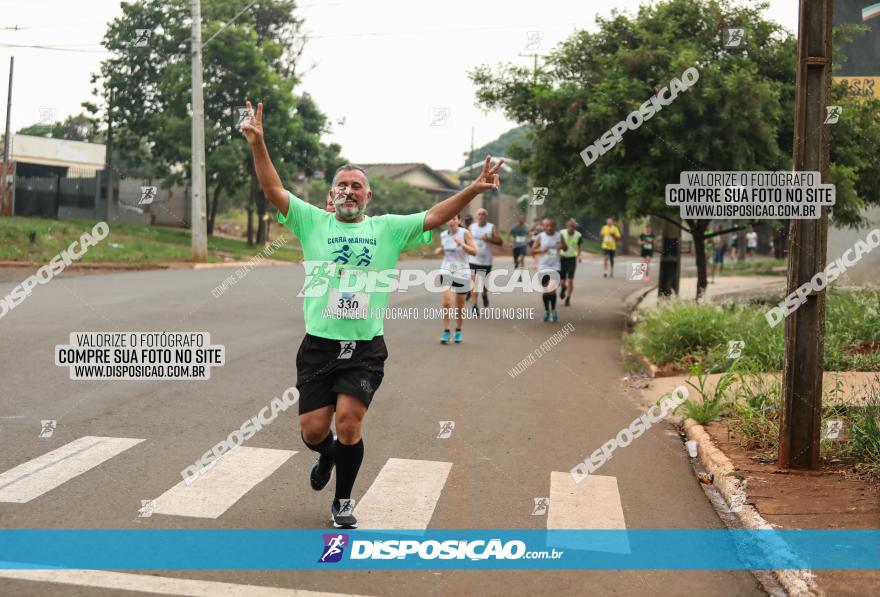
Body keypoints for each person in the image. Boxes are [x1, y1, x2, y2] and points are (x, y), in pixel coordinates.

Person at [241, 100, 503, 529]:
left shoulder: (386, 228)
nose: (348, 191)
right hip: (319, 346)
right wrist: (259, 143)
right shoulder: (312, 223)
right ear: (330, 196)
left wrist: (474, 188)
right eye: (341, 185)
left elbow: (437, 214)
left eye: (356, 186)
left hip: (364, 347)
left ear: (368, 196)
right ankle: (327, 456)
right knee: (312, 430)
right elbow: (273, 190)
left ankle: (342, 501)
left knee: (349, 421)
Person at [435, 214, 476, 344]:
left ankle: (458, 330)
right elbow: (445, 251)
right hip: (446, 270)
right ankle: (446, 331)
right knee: (446, 302)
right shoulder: (443, 235)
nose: (452, 221)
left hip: (462, 272)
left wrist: (462, 244)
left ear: (458, 221)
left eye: (454, 218)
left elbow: (474, 252)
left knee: (460, 305)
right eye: (449, 218)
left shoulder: (465, 233)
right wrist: (440, 250)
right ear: (446, 221)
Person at [467, 208, 502, 314]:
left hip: (486, 260)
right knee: (475, 282)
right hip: (473, 259)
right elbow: (466, 241)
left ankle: (484, 294)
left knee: (484, 284)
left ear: (486, 216)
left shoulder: (491, 227)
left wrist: (489, 239)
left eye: (483, 214)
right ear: (476, 216)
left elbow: (500, 242)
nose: (481, 216)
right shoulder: (471, 227)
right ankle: (474, 305)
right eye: (479, 214)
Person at [532, 218, 563, 322]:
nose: (549, 228)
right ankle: (546, 311)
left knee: (552, 289)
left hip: (555, 267)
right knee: (546, 291)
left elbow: (565, 247)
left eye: (551, 226)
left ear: (554, 226)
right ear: (544, 227)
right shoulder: (540, 237)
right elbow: (532, 251)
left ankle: (553, 310)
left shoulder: (559, 236)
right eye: (547, 226)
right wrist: (540, 249)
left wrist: (562, 246)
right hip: (543, 267)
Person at [559, 218, 582, 306]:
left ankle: (568, 298)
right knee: (562, 281)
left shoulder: (578, 235)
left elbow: (579, 246)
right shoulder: (561, 233)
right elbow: (558, 244)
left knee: (570, 280)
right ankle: (563, 288)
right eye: (570, 226)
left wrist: (579, 256)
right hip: (562, 258)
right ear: (567, 226)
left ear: (575, 227)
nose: (571, 228)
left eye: (573, 226)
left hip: (572, 259)